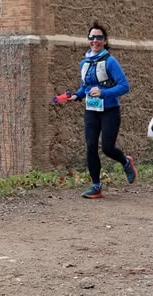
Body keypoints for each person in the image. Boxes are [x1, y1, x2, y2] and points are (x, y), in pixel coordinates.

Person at [53, 22, 136, 198]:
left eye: (99, 37)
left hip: (110, 110)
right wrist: (75, 96)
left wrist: (104, 92)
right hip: (91, 111)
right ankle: (96, 187)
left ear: (105, 41)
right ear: (88, 40)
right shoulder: (84, 62)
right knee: (90, 147)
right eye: (92, 37)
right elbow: (86, 87)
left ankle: (125, 161)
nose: (95, 40)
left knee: (107, 148)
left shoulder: (110, 61)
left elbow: (124, 86)